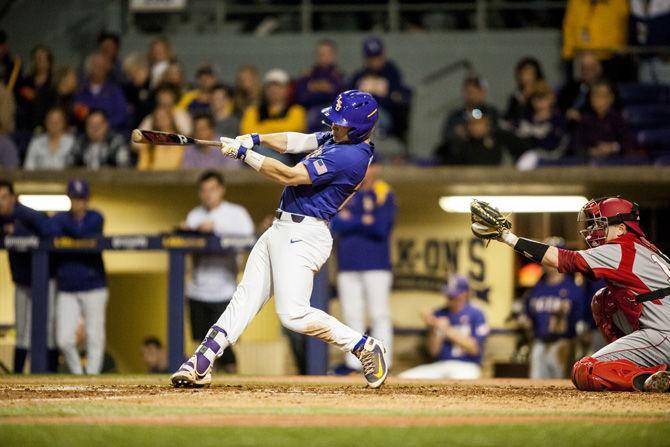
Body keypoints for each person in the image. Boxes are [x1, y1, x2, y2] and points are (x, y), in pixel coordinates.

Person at [171, 90, 389, 389]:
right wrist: (255, 138)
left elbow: (289, 175)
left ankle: (363, 345)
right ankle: (201, 361)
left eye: (341, 124)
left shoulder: (350, 156)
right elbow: (297, 141)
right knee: (245, 298)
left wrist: (244, 154)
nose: (334, 127)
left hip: (305, 234)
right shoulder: (340, 138)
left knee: (293, 314)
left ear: (360, 128)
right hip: (281, 228)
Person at [473, 196, 670, 391]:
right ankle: (651, 370)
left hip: (662, 334)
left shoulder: (622, 248)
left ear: (621, 228)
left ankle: (648, 378)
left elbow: (563, 260)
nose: (594, 231)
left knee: (586, 370)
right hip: (661, 330)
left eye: (601, 225)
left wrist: (508, 237)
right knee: (604, 299)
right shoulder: (646, 248)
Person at [180, 171, 254, 373]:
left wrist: (215, 226)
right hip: (197, 290)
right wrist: (188, 230)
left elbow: (249, 235)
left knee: (224, 345)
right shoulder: (194, 215)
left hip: (224, 290)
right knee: (201, 344)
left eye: (212, 189)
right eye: (204, 190)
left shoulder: (236, 213)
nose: (208, 194)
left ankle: (231, 386)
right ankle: (205, 382)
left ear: (221, 190)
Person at [330, 156, 396, 375]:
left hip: (376, 264)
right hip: (347, 263)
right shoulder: (346, 192)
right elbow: (335, 223)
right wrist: (363, 220)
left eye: (369, 166)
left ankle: (384, 360)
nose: (365, 170)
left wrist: (352, 220)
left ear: (376, 168)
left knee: (379, 314)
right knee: (351, 315)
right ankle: (354, 363)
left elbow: (380, 228)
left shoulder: (383, 192)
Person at [0, 180, 57, 373]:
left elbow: (50, 230)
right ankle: (18, 374)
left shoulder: (26, 214)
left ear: (12, 198)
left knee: (47, 328)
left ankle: (49, 372)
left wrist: (19, 232)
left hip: (44, 279)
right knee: (22, 329)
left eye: (4, 197)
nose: (1, 202)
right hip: (21, 281)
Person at [52, 179, 108, 375]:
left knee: (95, 336)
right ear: (70, 199)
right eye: (75, 199)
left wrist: (66, 232)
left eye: (82, 199)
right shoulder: (60, 218)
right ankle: (78, 373)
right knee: (64, 339)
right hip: (67, 286)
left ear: (87, 199)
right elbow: (50, 228)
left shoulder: (95, 217)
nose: (79, 203)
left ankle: (92, 376)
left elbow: (82, 232)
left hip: (94, 285)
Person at [519, 238, 588, 379]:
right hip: (539, 342)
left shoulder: (574, 288)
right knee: (535, 384)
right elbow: (526, 312)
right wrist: (525, 320)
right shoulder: (537, 287)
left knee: (561, 384)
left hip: (563, 342)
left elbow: (581, 318)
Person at [398, 275, 489, 380]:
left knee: (459, 383)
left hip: (468, 365)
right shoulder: (440, 313)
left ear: (466, 293)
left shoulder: (476, 314)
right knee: (403, 378)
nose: (451, 298)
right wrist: (433, 327)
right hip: (441, 364)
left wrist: (447, 330)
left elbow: (474, 349)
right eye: (449, 294)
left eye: (455, 294)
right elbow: (433, 352)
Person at [348, 37, 411, 141]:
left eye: (377, 57)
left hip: (386, 117)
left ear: (383, 55)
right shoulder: (360, 75)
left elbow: (398, 100)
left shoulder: (392, 73)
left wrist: (379, 94)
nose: (375, 61)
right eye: (371, 58)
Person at [239, 69, 307, 163]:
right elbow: (246, 132)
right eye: (270, 87)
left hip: (288, 156)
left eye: (279, 86)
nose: (274, 90)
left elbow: (292, 130)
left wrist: (261, 131)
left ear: (287, 89)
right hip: (258, 154)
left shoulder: (296, 109)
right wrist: (279, 129)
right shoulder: (253, 110)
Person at [438, 107, 527, 165]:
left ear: (487, 125)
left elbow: (523, 149)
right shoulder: (461, 145)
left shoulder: (499, 138)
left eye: (479, 123)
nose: (475, 127)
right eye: (472, 124)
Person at [574, 80, 636, 161]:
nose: (599, 100)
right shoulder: (585, 120)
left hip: (616, 162)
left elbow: (630, 142)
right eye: (595, 95)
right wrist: (591, 151)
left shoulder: (618, 119)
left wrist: (612, 147)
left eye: (603, 96)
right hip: (590, 163)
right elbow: (577, 145)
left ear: (611, 98)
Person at [437, 76, 499, 155]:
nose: (472, 94)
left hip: (486, 157)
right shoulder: (456, 115)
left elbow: (498, 134)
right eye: (468, 91)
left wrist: (483, 130)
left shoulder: (491, 112)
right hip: (461, 158)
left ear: (483, 93)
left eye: (476, 91)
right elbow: (446, 135)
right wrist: (465, 130)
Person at [295, 39, 345, 132]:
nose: (324, 56)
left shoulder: (339, 76)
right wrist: (324, 89)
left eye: (327, 53)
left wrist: (315, 88)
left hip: (334, 112)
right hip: (310, 111)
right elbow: (301, 98)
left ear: (334, 55)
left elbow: (340, 98)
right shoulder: (307, 75)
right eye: (321, 53)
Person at [73, 52, 128, 132]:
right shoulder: (81, 90)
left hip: (110, 134)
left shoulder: (115, 90)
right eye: (96, 66)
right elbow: (76, 112)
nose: (100, 69)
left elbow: (121, 114)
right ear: (89, 69)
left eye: (103, 66)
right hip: (85, 134)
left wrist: (104, 127)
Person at [15, 45, 54, 136]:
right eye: (37, 58)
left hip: (47, 128)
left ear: (49, 61)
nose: (39, 61)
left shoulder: (54, 82)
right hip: (25, 128)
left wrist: (36, 97)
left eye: (42, 58)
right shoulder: (25, 82)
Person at [504, 57, 545, 126]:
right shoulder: (516, 97)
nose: (525, 77)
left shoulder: (542, 94)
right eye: (523, 73)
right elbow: (509, 116)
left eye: (529, 73)